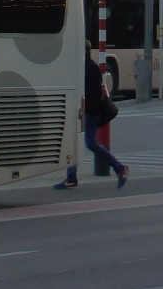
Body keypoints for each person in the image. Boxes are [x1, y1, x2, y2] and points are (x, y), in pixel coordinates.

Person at [55, 42, 128, 189]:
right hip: (81, 110)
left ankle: (119, 167)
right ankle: (71, 176)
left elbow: (94, 95)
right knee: (73, 142)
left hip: (88, 112)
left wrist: (86, 111)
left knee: (89, 142)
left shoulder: (92, 68)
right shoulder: (79, 67)